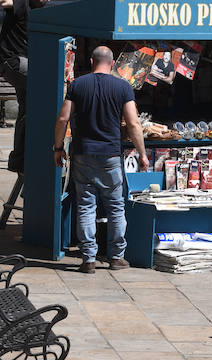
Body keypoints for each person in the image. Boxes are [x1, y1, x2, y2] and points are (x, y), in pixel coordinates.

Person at [54, 46, 149, 274]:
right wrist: (143, 154)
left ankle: (88, 259)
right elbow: (134, 124)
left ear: (90, 61)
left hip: (83, 154)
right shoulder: (123, 86)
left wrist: (58, 148)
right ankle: (116, 258)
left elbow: (62, 118)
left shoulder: (77, 85)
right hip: (110, 156)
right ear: (113, 62)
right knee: (116, 207)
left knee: (86, 207)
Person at [0, 0, 53, 173]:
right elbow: (5, 1)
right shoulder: (22, 3)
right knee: (51, 87)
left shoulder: (45, 16)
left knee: (26, 112)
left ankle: (19, 160)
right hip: (13, 62)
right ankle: (44, 150)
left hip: (21, 68)